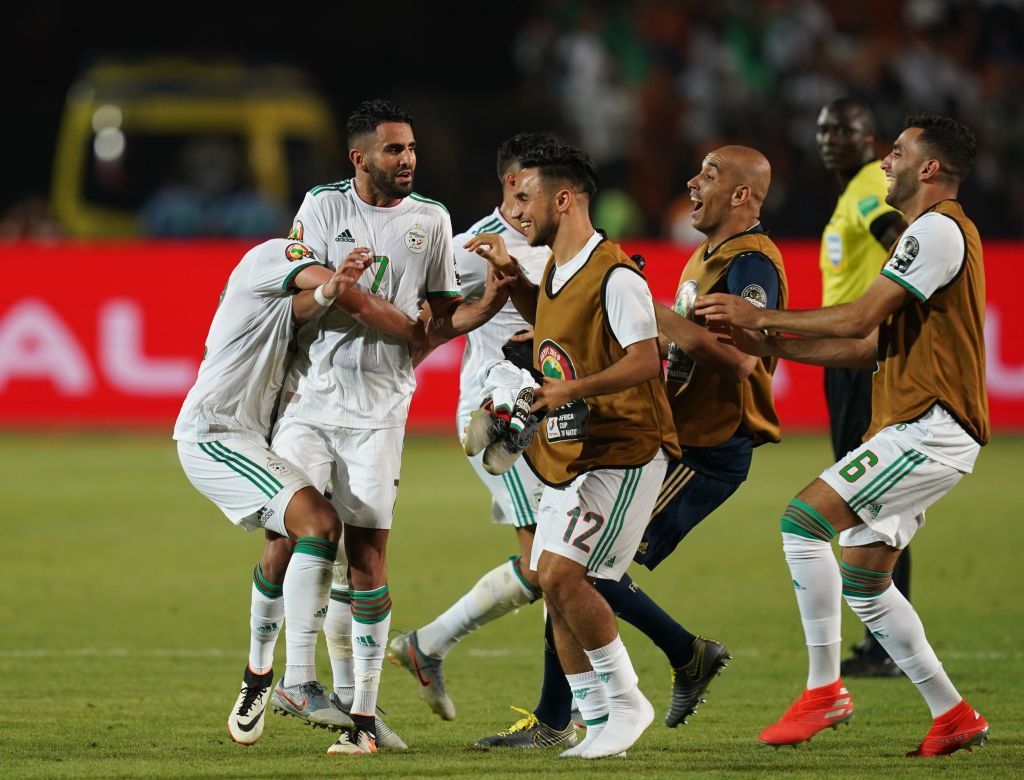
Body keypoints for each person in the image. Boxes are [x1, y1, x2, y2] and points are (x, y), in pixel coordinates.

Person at [469, 144, 788, 749]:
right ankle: (606, 696)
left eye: (709, 174)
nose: (692, 182)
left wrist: (652, 315)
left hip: (699, 445)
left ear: (743, 194)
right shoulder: (699, 257)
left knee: (575, 572)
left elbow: (742, 360)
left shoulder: (750, 264)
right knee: (565, 571)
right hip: (644, 438)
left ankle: (606, 699)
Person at [697, 116, 990, 757]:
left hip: (929, 426)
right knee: (865, 581)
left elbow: (859, 317)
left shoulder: (936, 229)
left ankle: (823, 690)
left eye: (898, 152)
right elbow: (868, 346)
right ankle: (953, 715)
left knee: (802, 522)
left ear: (930, 168)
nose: (886, 161)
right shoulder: (933, 235)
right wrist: (771, 343)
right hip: (916, 423)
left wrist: (761, 315)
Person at [269, 99, 512, 756]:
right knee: (302, 531)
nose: (408, 160)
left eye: (411, 149)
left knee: (367, 560)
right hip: (308, 399)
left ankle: (362, 716)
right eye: (394, 150)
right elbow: (294, 300)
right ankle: (296, 680)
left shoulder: (431, 220)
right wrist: (340, 294)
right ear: (360, 157)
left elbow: (435, 322)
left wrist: (487, 303)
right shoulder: (322, 207)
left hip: (380, 412)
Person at [466, 144, 681, 759]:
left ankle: (627, 702)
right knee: (550, 580)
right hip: (576, 451)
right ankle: (595, 714)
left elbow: (646, 360)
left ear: (563, 199)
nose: (516, 212)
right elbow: (552, 322)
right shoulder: (559, 269)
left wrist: (569, 390)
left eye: (525, 198)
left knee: (565, 575)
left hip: (626, 450)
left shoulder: (615, 275)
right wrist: (513, 282)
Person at [386, 132, 557, 723]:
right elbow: (418, 315)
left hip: (552, 414)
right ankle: (574, 708)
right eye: (540, 188)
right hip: (497, 422)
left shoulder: (558, 240)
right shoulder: (469, 250)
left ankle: (427, 645)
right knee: (554, 564)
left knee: (555, 566)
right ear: (513, 184)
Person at [172, 238, 371, 747]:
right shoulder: (273, 252)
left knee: (286, 542)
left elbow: (307, 302)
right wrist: (338, 281)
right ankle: (297, 681)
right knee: (321, 524)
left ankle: (257, 675)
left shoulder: (277, 305)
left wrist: (329, 290)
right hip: (215, 436)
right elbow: (313, 281)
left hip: (252, 437)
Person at [816, 99, 909, 678]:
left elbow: (900, 238)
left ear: (868, 136)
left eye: (842, 129)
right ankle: (885, 640)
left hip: (859, 358)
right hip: (846, 357)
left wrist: (882, 317)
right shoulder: (852, 190)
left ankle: (888, 643)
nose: (830, 138)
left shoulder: (870, 184)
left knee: (872, 499)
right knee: (869, 500)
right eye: (824, 129)